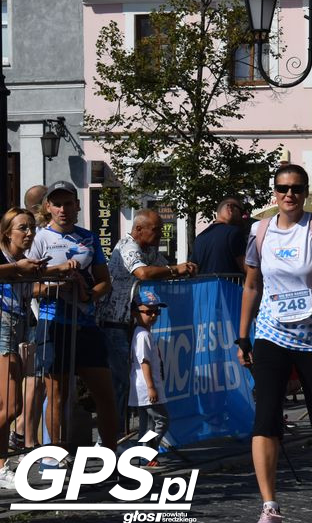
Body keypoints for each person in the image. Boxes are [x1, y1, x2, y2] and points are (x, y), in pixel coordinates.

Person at [235, 164, 312, 523]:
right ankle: (269, 507)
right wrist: (243, 335)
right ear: (274, 192)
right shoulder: (260, 230)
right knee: (265, 417)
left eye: (297, 188)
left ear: (305, 192)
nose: (290, 194)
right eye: (283, 188)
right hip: (272, 333)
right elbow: (251, 286)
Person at [28, 181, 119, 453]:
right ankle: (53, 458)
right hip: (54, 323)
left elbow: (105, 281)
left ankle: (112, 455)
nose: (63, 209)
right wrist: (54, 284)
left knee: (105, 394)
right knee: (57, 395)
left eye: (68, 203)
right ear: (48, 207)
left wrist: (88, 295)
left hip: (86, 325)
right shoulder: (39, 239)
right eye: (57, 204)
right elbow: (27, 285)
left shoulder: (89, 238)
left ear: (77, 206)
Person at [99, 209, 196, 436]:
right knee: (121, 381)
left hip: (134, 322)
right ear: (139, 229)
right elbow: (143, 272)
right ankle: (113, 439)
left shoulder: (149, 248)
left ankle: (139, 438)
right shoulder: (127, 246)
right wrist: (174, 269)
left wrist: (184, 269)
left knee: (140, 380)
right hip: (114, 322)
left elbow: (162, 269)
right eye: (157, 229)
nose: (161, 233)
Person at [0, 208, 50, 489]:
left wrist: (61, 272)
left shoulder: (22, 260)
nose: (29, 233)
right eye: (23, 228)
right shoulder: (8, 258)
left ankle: (2, 465)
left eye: (31, 227)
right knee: (10, 405)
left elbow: (30, 283)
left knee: (10, 404)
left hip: (17, 326)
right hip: (3, 327)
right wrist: (20, 269)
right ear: (8, 232)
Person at [129, 290, 169, 453]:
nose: (153, 315)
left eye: (156, 312)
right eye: (148, 312)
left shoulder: (143, 333)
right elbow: (144, 362)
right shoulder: (142, 335)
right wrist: (151, 387)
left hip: (144, 388)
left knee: (147, 425)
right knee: (162, 420)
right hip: (146, 388)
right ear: (135, 313)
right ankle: (149, 451)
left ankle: (144, 454)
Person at [191, 197, 247, 275]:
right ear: (230, 208)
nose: (243, 217)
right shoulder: (234, 232)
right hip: (228, 286)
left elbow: (193, 268)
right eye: (242, 213)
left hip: (203, 286)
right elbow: (246, 267)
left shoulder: (200, 237)